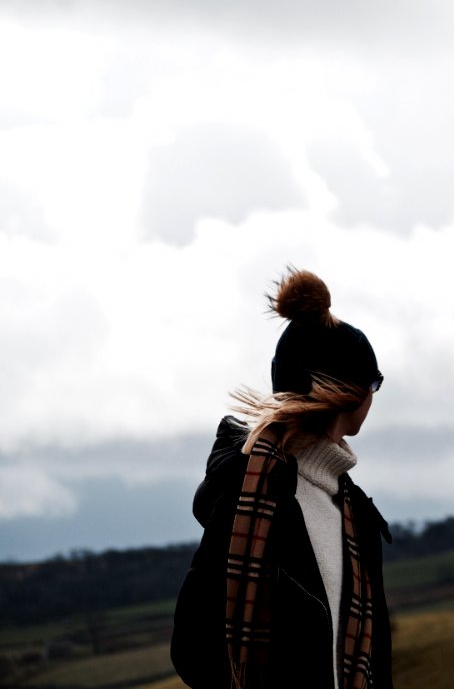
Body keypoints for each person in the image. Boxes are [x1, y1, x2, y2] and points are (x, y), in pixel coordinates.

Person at [171, 268, 393, 689]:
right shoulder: (249, 494)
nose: (374, 395)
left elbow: (376, 663)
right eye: (374, 383)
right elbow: (193, 648)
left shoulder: (356, 515)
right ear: (351, 392)